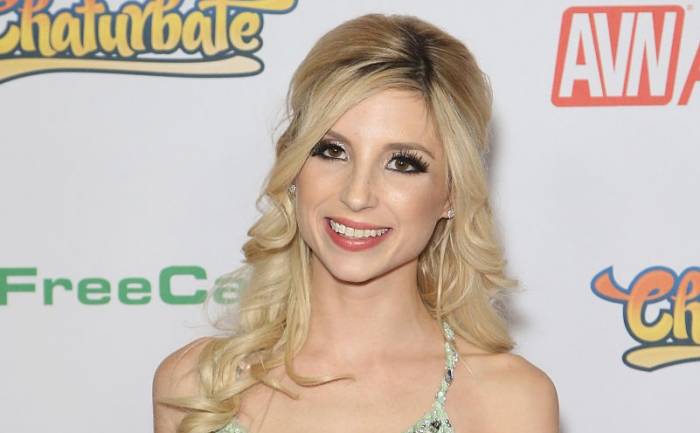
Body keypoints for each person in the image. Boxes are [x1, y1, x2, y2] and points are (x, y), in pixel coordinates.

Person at [153, 13, 559, 433]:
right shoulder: (197, 388)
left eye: (403, 163)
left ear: (451, 193)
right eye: (332, 151)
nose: (357, 195)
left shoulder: (510, 400)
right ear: (293, 165)